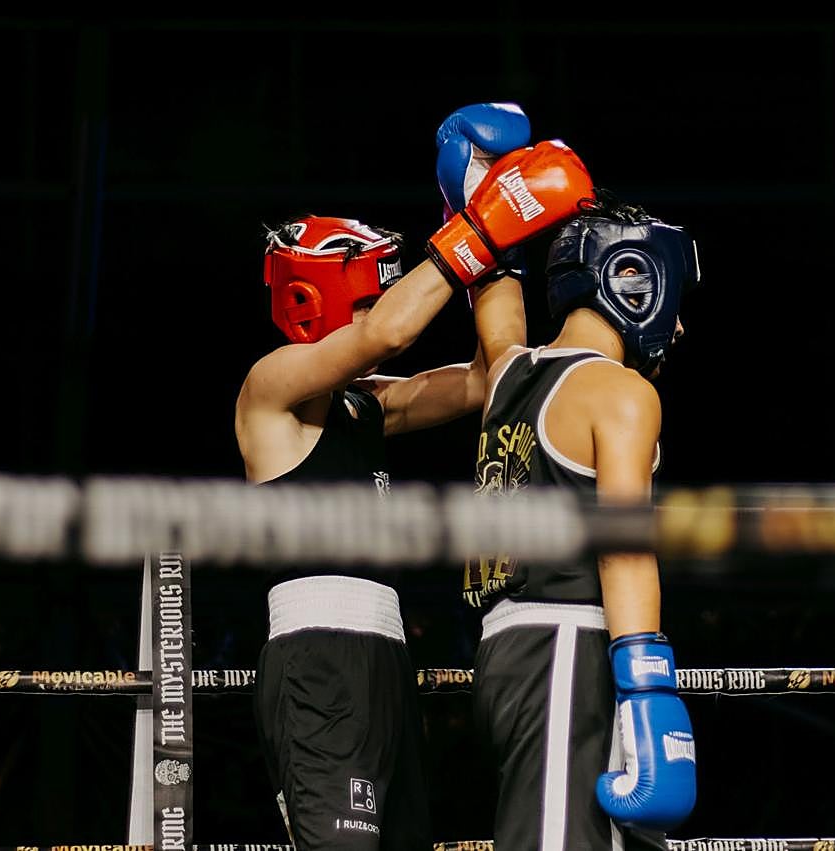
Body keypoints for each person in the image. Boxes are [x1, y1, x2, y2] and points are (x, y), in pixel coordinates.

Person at [235, 114, 594, 849]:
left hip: (387, 664)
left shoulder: (365, 406)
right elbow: (387, 334)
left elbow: (489, 381)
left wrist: (496, 248)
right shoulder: (267, 390)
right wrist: (476, 223)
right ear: (316, 301)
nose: (374, 308)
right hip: (318, 664)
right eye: (364, 295)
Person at [439, 104, 700, 850]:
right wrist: (649, 689)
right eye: (673, 300)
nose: (677, 328)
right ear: (635, 281)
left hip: (504, 655)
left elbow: (495, 314)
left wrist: (473, 205)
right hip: (573, 650)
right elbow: (624, 546)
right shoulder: (621, 393)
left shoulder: (511, 376)